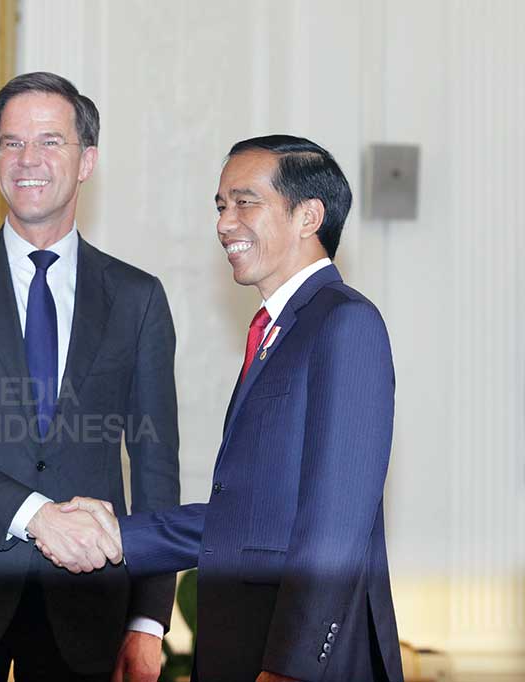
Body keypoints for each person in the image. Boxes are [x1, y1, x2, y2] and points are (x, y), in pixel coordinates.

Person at [60, 136, 404, 681]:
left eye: (245, 202)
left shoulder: (345, 323)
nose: (224, 223)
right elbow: (248, 518)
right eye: (221, 205)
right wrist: (119, 535)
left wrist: (291, 667)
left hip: (295, 661)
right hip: (244, 646)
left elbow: (335, 524)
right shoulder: (277, 331)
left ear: (307, 216)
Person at [0, 71, 181, 681]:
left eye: (50, 141)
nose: (28, 160)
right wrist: (38, 516)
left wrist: (149, 620)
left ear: (86, 161)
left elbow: (155, 464)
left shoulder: (138, 298)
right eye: (11, 142)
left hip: (88, 608)